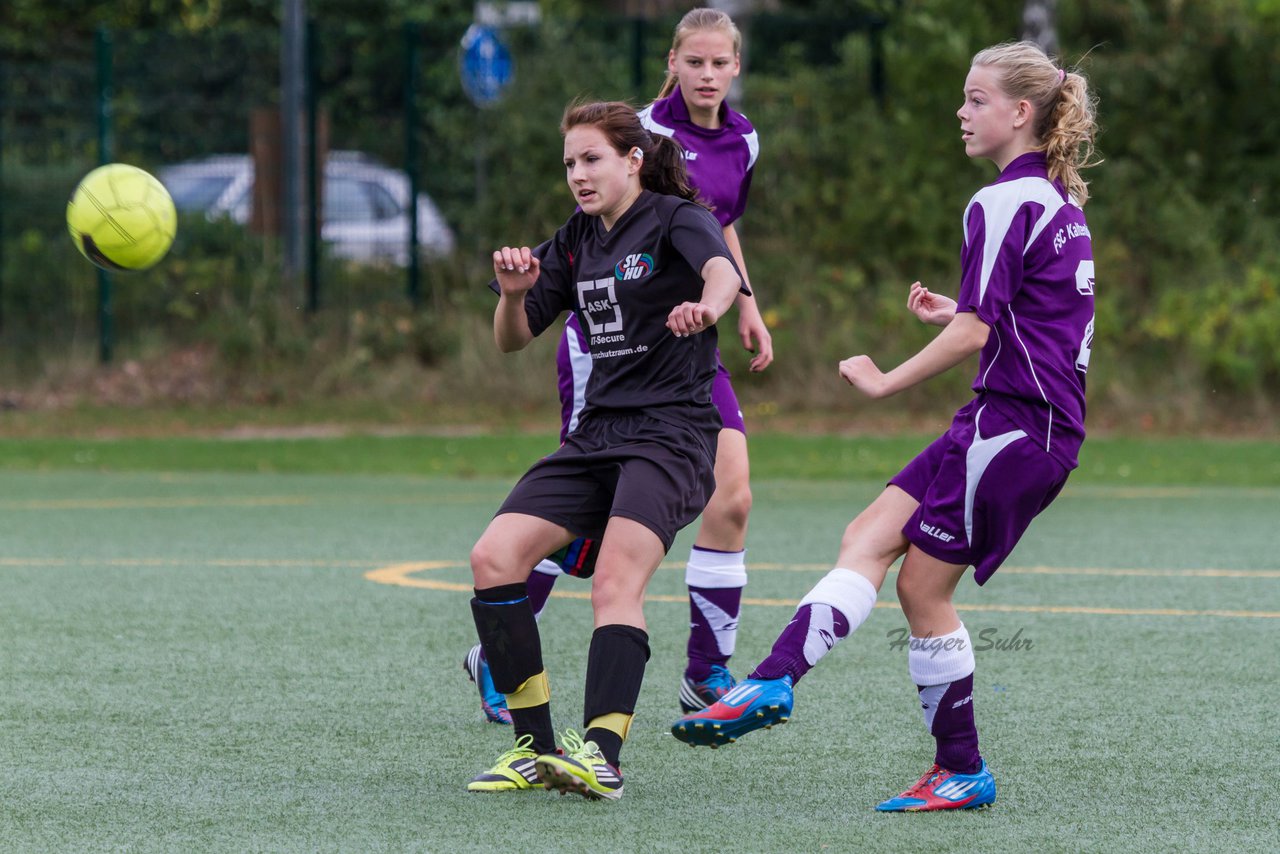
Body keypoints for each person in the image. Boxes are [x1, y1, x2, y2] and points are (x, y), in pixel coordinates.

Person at [671, 41, 1099, 813]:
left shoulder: (1000, 200)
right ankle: (770, 682)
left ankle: (961, 768)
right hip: (1013, 422)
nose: (961, 113)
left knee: (921, 589)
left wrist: (884, 379)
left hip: (1016, 428)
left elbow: (977, 333)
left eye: (975, 100)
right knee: (868, 534)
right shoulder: (1056, 199)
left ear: (1021, 112)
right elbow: (1026, 317)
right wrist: (962, 312)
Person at [463, 7, 772, 724]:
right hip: (609, 365)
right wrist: (514, 295)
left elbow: (718, 239)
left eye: (719, 62)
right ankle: (502, 655)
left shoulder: (735, 145)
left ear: (734, 66)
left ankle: (704, 672)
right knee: (583, 529)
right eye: (693, 61)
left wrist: (732, 303)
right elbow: (518, 329)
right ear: (672, 62)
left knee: (732, 499)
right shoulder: (630, 145)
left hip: (685, 350)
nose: (706, 74)